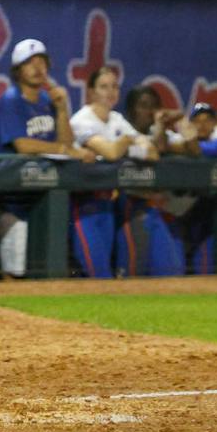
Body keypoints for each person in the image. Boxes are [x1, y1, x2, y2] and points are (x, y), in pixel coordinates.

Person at [0, 39, 91, 278]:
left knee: (48, 269)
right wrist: (63, 149)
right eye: (30, 63)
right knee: (15, 270)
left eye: (42, 62)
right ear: (18, 70)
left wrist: (62, 110)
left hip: (45, 197)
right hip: (14, 197)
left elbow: (67, 144)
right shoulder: (11, 99)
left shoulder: (48, 101)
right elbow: (23, 145)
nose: (38, 67)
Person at [67, 67, 157, 278]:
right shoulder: (81, 120)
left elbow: (152, 153)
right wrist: (129, 140)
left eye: (114, 86)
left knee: (107, 274)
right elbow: (112, 152)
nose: (110, 92)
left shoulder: (117, 119)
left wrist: (128, 146)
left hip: (108, 204)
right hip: (83, 204)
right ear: (91, 92)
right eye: (104, 87)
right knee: (96, 273)